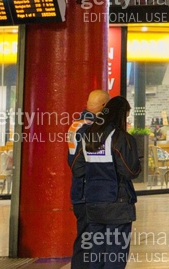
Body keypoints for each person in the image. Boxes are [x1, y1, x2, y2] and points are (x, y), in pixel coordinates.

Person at [71, 96, 141, 269]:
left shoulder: (88, 136)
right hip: (118, 204)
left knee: (97, 254)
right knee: (116, 254)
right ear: (122, 115)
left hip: (93, 203)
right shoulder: (121, 138)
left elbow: (77, 168)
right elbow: (130, 171)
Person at [67, 89, 110, 269]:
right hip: (89, 192)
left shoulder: (75, 125)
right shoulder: (91, 129)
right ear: (103, 107)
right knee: (92, 243)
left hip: (79, 192)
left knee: (84, 240)